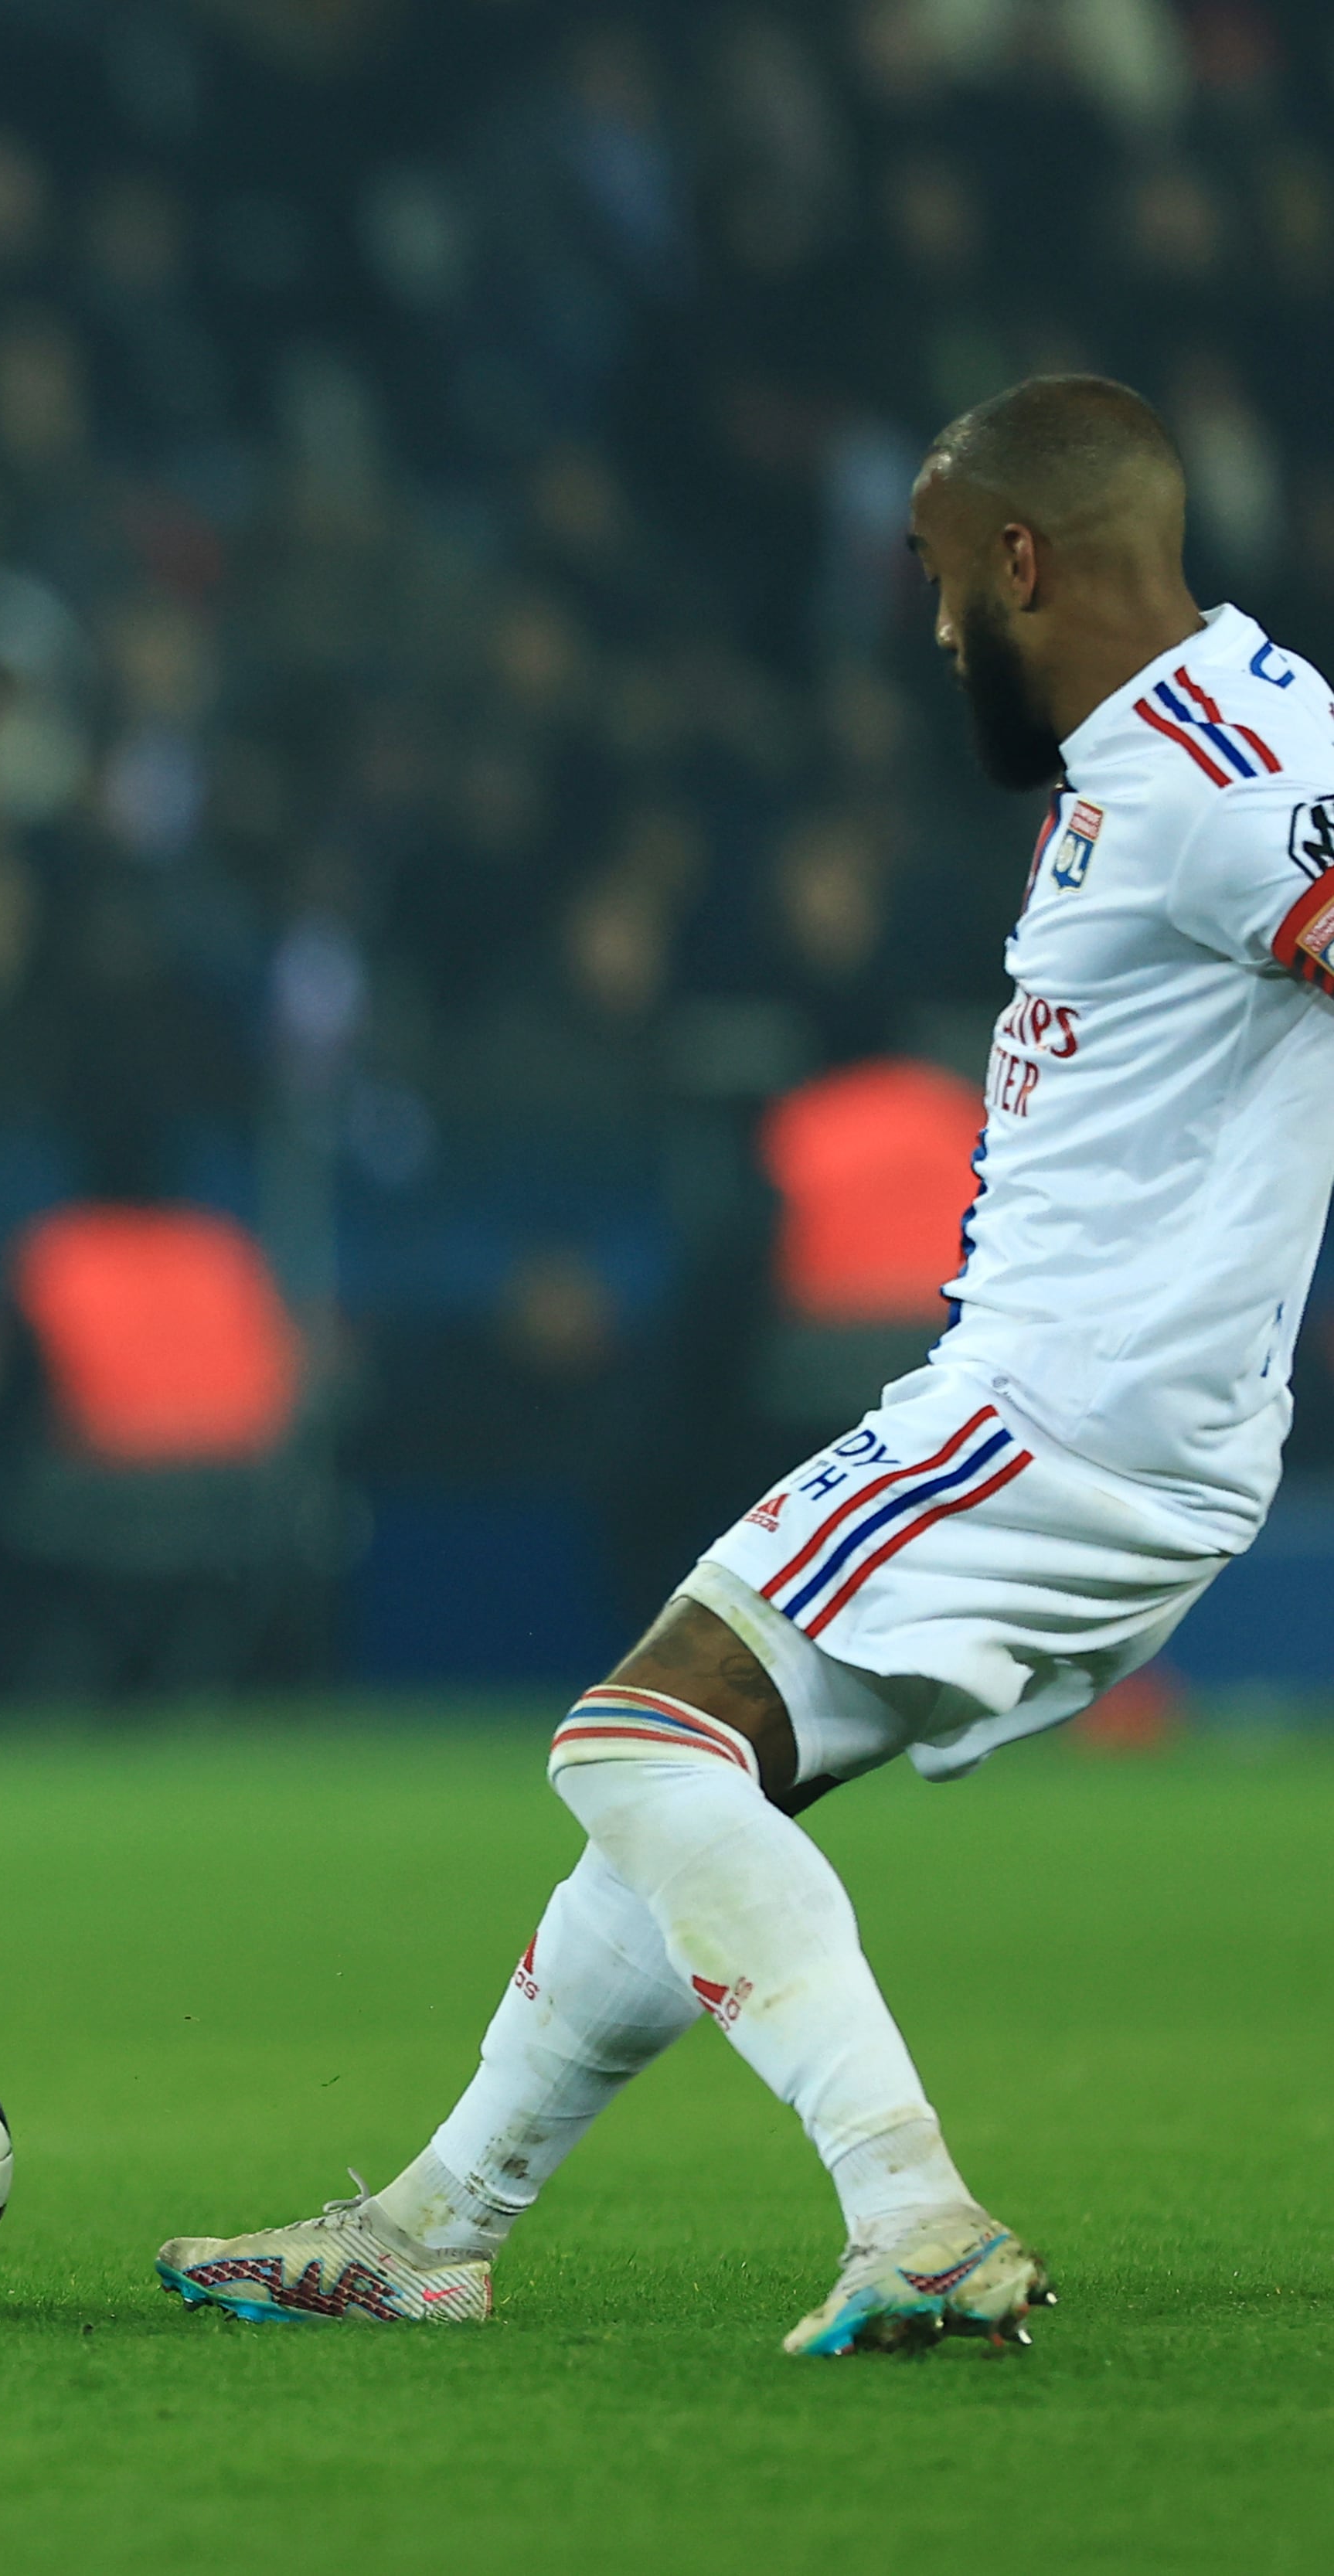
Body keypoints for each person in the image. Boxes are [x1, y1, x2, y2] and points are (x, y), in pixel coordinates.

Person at [156, 376, 1334, 2357]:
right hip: (1114, 1419)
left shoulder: (1223, 767)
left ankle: (914, 2206)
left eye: (944, 578)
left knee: (629, 1742)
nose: (937, 627)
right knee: (696, 1782)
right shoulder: (1188, 740)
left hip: (1061, 1415)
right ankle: (436, 2219)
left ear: (1020, 558)